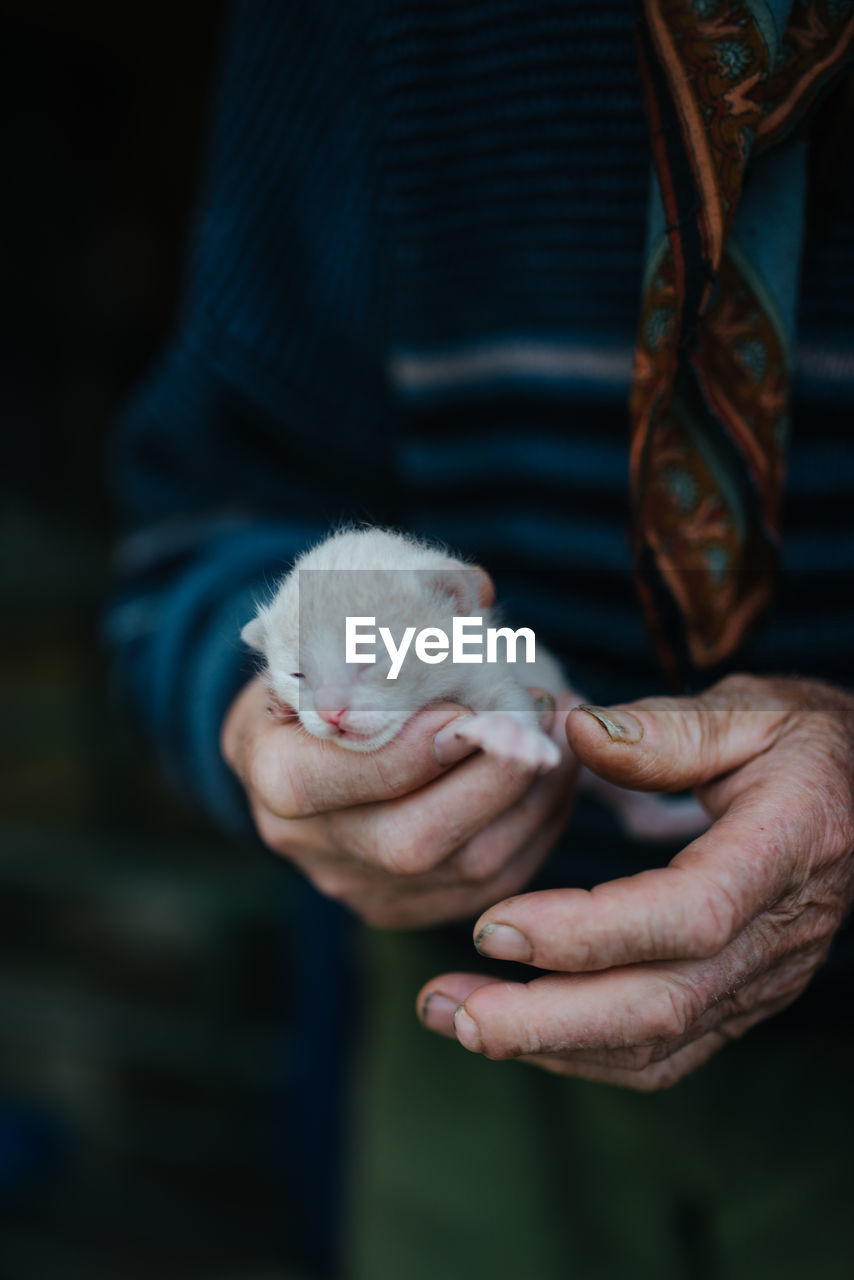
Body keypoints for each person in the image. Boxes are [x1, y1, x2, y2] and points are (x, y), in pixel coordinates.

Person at [108, 0, 854, 1275]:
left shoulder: (459, 627)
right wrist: (256, 730)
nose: (329, 707)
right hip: (464, 1014)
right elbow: (202, 529)